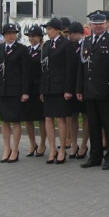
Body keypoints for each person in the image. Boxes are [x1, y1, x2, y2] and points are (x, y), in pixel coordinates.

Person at [76, 12, 109, 170]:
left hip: (105, 90)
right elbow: (81, 67)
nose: (98, 26)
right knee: (93, 125)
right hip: (90, 90)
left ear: (106, 24)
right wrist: (79, 88)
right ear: (90, 25)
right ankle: (95, 156)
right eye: (95, 23)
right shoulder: (86, 41)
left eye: (101, 23)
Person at [40, 18, 76, 164]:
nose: (48, 32)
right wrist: (42, 90)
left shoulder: (66, 44)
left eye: (50, 29)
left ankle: (62, 150)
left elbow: (70, 68)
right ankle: (52, 149)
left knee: (61, 118)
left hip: (61, 88)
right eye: (47, 29)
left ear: (57, 30)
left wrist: (68, 89)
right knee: (48, 118)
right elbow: (43, 68)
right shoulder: (46, 45)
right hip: (48, 87)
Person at [0, 23, 30, 163]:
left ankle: (15, 149)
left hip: (15, 90)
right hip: (2, 89)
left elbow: (25, 72)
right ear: (4, 35)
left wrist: (25, 92)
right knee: (5, 120)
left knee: (15, 120)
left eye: (13, 33)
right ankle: (6, 148)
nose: (11, 36)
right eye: (8, 33)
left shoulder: (21, 49)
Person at [23, 24, 46, 158]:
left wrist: (43, 89)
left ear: (40, 37)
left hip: (39, 87)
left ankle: (42, 143)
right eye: (30, 36)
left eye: (34, 36)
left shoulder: (43, 50)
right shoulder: (26, 50)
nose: (32, 38)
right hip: (28, 88)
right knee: (28, 117)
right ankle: (32, 143)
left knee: (41, 117)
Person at [67, 21, 89, 158]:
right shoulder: (70, 46)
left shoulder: (87, 44)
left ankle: (84, 143)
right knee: (73, 115)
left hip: (84, 85)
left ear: (78, 33)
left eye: (71, 34)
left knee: (86, 116)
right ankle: (74, 143)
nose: (69, 36)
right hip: (72, 85)